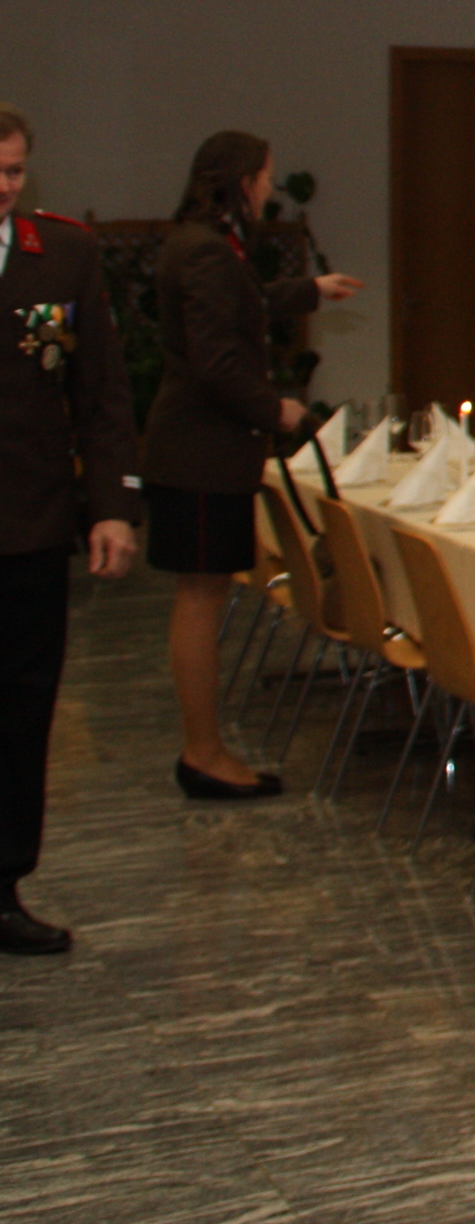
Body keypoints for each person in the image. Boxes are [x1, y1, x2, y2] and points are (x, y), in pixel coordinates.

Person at [144, 129, 360, 801]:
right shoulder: (209, 251)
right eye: (265, 177)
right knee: (201, 597)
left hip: (195, 452)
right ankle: (204, 753)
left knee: (201, 594)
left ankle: (204, 748)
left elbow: (242, 302)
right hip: (202, 454)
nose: (269, 188)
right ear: (243, 182)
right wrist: (279, 412)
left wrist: (309, 290)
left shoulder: (200, 242)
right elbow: (217, 360)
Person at [0, 109, 138, 953]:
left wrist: (112, 505)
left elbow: (101, 390)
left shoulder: (64, 254)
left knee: (21, 714)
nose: (3, 187)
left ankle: (3, 885)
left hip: (28, 520)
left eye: (13, 171)